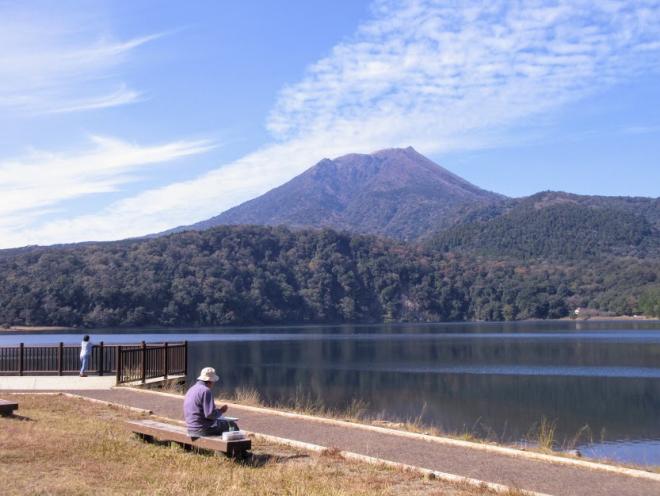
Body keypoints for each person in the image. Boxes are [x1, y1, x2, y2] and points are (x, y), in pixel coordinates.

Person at [183, 366, 237, 436]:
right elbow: (209, 415)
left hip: (191, 428)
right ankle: (235, 446)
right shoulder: (206, 391)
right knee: (231, 425)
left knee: (221, 423)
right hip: (202, 429)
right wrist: (221, 411)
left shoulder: (192, 389)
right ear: (211, 381)